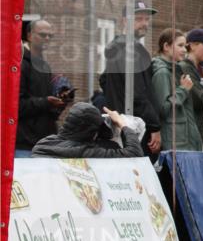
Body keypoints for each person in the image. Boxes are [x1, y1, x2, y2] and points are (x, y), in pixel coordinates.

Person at [99, 0, 162, 156]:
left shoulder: (117, 47)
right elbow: (138, 93)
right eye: (139, 19)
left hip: (121, 125)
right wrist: (154, 127)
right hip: (136, 128)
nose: (144, 23)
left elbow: (104, 80)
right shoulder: (131, 51)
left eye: (147, 19)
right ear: (125, 21)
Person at [17, 19, 68, 150]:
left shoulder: (44, 66)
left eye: (50, 36)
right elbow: (17, 105)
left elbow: (48, 107)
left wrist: (61, 101)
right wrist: (47, 101)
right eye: (42, 35)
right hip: (25, 142)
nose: (47, 38)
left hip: (45, 141)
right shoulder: (20, 65)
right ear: (29, 36)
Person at [152, 29, 202, 151]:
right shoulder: (162, 73)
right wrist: (183, 90)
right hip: (176, 144)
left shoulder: (176, 71)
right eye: (180, 46)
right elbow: (163, 108)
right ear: (166, 46)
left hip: (183, 143)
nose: (185, 50)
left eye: (185, 46)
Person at [32, 103, 143, 158]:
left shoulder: (43, 143)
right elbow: (134, 154)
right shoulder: (85, 151)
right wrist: (121, 124)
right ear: (90, 131)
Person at [179, 27, 203, 139]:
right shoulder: (183, 68)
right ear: (193, 45)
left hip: (202, 129)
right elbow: (201, 100)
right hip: (191, 132)